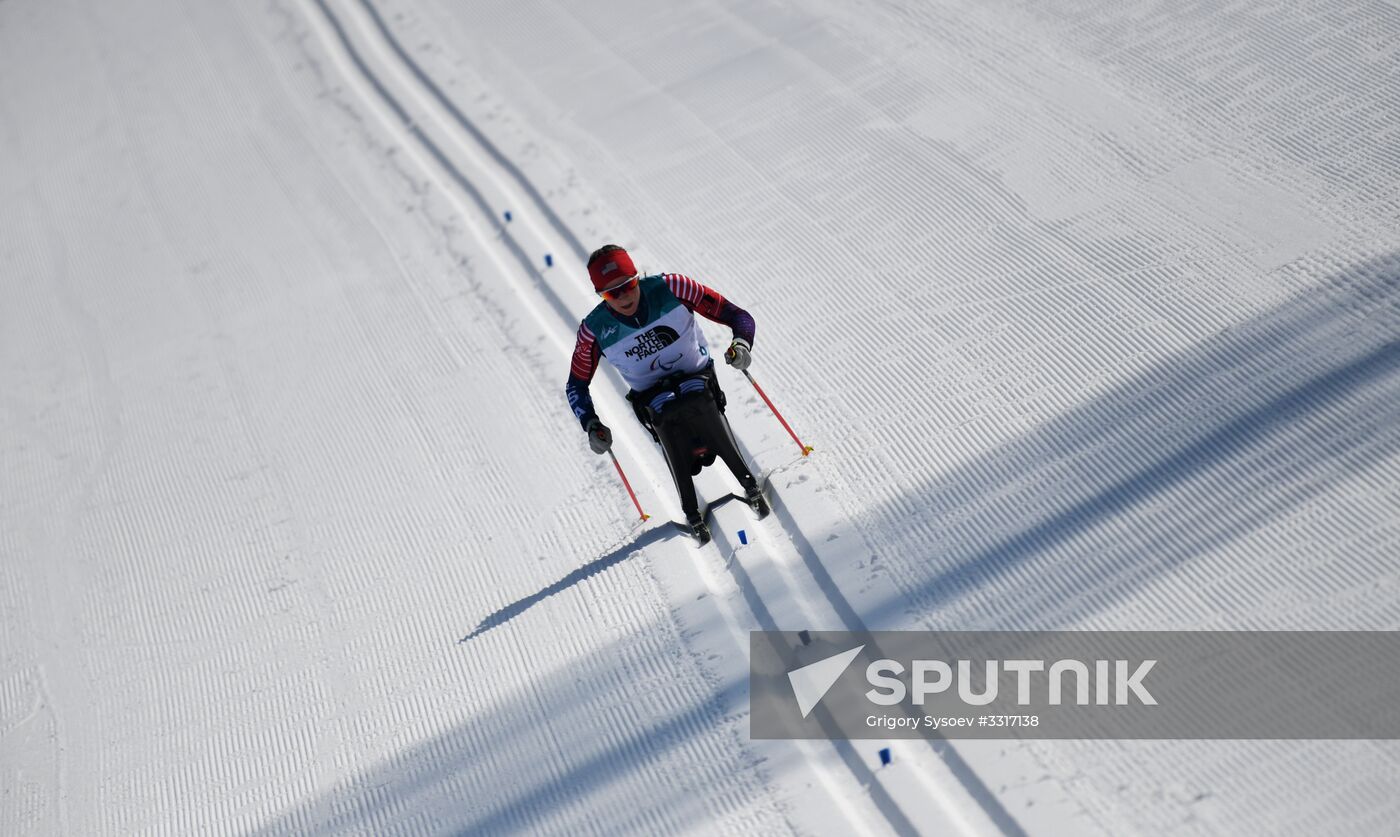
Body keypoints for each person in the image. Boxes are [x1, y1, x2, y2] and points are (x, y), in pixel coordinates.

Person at [565, 244, 766, 541]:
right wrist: (591, 425)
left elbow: (736, 315)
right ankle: (690, 507)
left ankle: (746, 480)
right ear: (600, 296)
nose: (624, 297)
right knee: (666, 414)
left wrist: (741, 345)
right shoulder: (594, 330)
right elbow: (576, 385)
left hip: (698, 377)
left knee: (698, 398)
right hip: (651, 400)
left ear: (637, 277)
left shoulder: (673, 287)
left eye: (628, 286)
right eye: (611, 294)